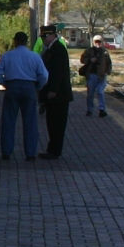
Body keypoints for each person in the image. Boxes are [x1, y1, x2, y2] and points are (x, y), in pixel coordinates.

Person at [0, 31, 47, 161]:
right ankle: (30, 153)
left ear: (15, 41)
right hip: (29, 88)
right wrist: (38, 87)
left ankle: (6, 151)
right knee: (30, 121)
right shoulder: (34, 56)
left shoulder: (7, 56)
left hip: (12, 86)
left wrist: (4, 84)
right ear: (27, 42)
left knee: (8, 120)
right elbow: (44, 75)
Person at [38, 23, 72, 158]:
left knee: (56, 123)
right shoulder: (51, 49)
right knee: (52, 123)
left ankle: (54, 151)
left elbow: (58, 72)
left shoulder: (58, 49)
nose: (43, 39)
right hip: (54, 94)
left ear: (52, 35)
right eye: (42, 36)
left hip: (58, 95)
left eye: (45, 36)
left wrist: (53, 90)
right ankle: (52, 149)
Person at [80, 37, 112, 118]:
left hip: (101, 75)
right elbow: (82, 59)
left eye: (99, 41)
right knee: (90, 93)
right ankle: (90, 110)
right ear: (93, 42)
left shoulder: (105, 52)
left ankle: (102, 110)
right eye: (96, 41)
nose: (98, 43)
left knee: (100, 92)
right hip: (91, 75)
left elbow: (109, 63)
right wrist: (90, 60)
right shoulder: (89, 51)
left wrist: (108, 71)